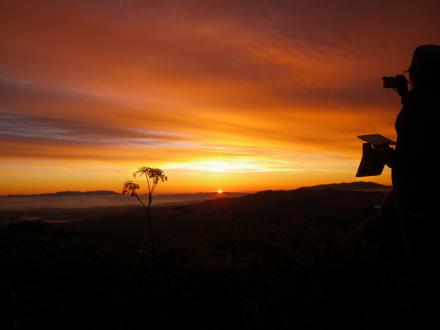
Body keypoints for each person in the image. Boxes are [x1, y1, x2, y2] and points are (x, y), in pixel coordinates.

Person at [378, 44, 440, 328]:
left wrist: (387, 155)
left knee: (421, 273)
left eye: (414, 70)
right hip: (429, 201)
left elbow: (415, 154)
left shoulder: (422, 103)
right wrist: (406, 96)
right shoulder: (426, 100)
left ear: (419, 72)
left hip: (419, 204)